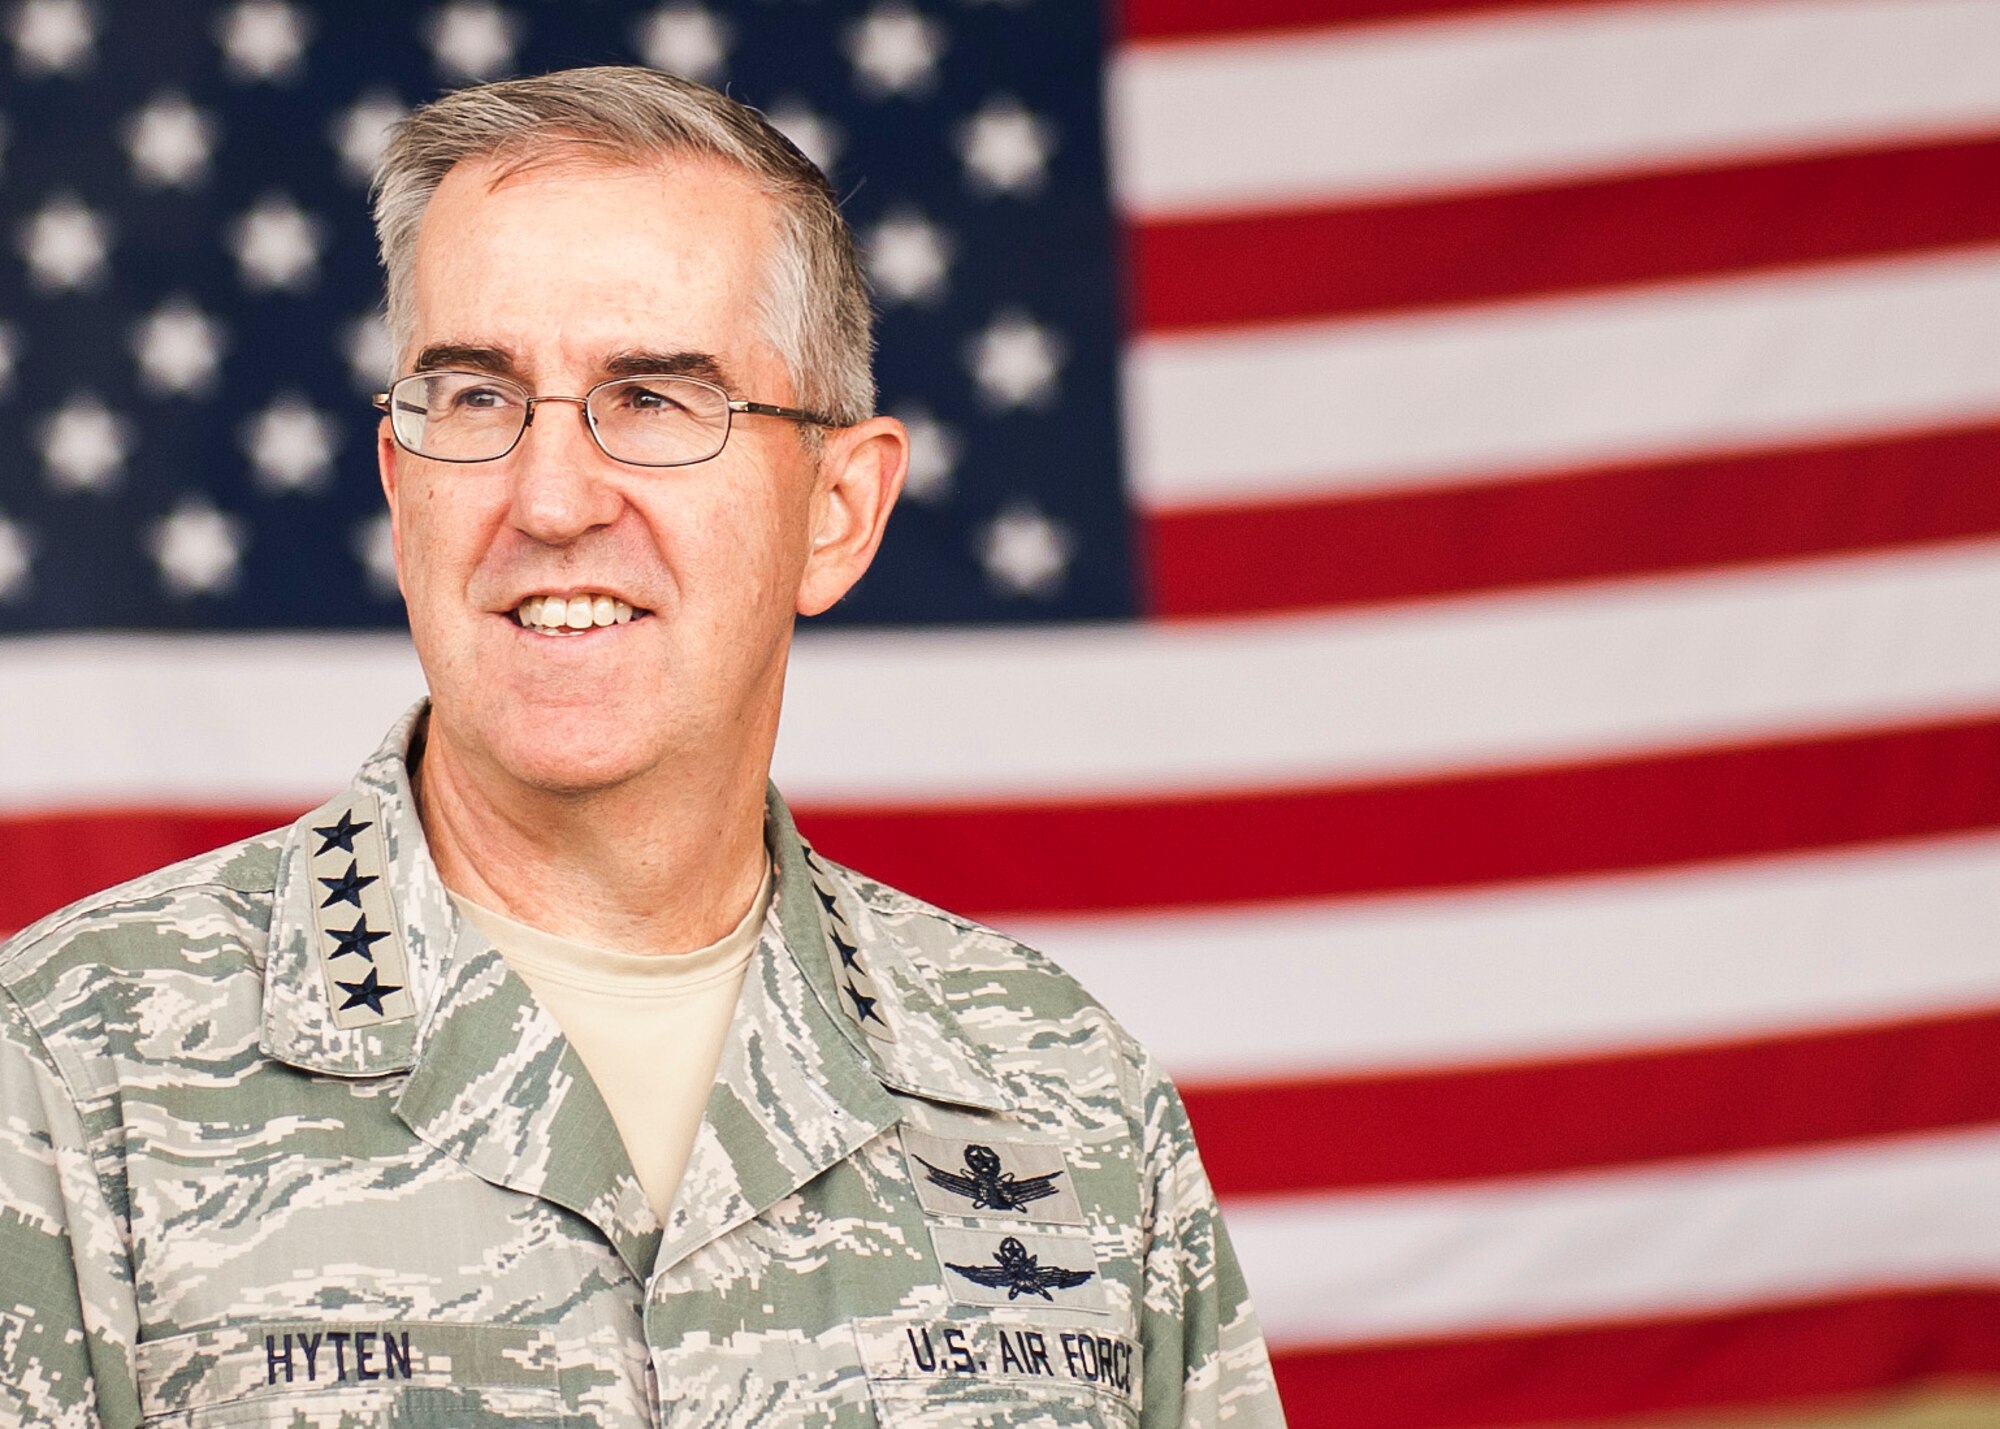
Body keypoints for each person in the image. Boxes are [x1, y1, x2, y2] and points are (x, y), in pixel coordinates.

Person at [0, 67, 1284, 1427]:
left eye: (659, 400)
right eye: (478, 397)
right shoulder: (70, 1073)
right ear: (398, 484)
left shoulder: (1068, 1101)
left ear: (837, 512)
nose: (550, 497)